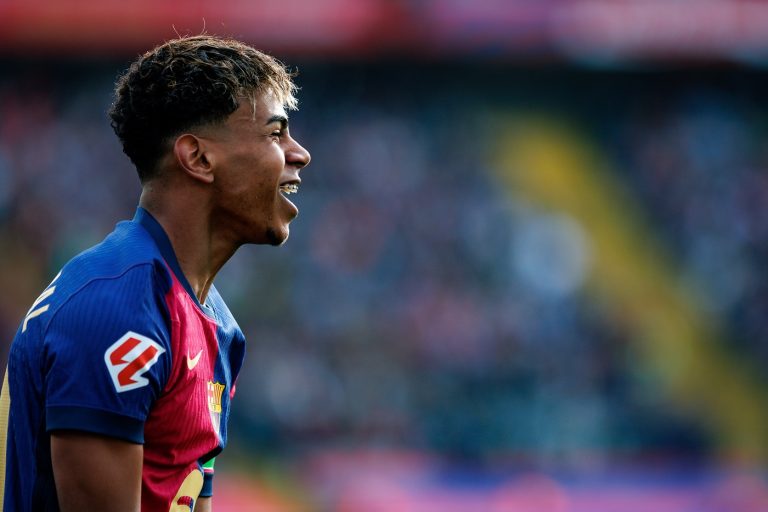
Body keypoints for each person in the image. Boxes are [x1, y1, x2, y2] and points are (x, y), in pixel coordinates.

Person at [0, 35, 311, 511]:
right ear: (198, 158)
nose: (299, 153)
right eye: (275, 134)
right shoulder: (115, 309)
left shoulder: (218, 326)